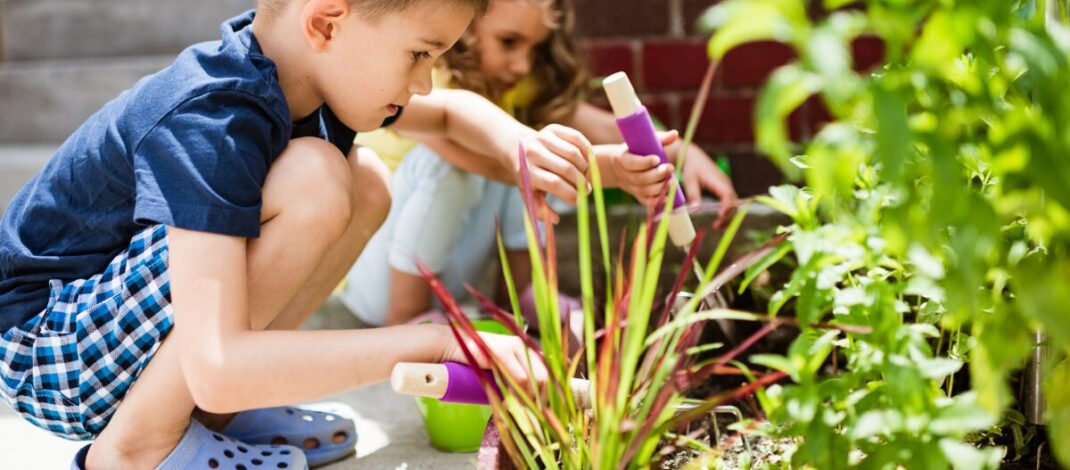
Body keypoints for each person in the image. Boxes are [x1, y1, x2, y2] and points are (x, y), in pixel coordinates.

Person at [0, 0, 597, 468]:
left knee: (364, 182)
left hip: (104, 337)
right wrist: (438, 344)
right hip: (50, 351)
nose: (425, 83)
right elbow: (217, 359)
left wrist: (524, 145)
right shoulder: (214, 116)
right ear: (327, 23)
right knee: (315, 177)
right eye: (420, 54)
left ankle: (213, 418)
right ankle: (139, 449)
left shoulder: (304, 74)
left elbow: (448, 114)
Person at [340, 0, 739, 328]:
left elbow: (599, 124)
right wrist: (613, 169)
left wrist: (682, 152)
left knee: (534, 135)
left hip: (451, 274)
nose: (522, 65)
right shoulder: (421, 81)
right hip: (381, 280)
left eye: (532, 49)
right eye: (508, 42)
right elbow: (498, 166)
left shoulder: (511, 87)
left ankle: (521, 297)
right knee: (483, 160)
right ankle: (406, 321)